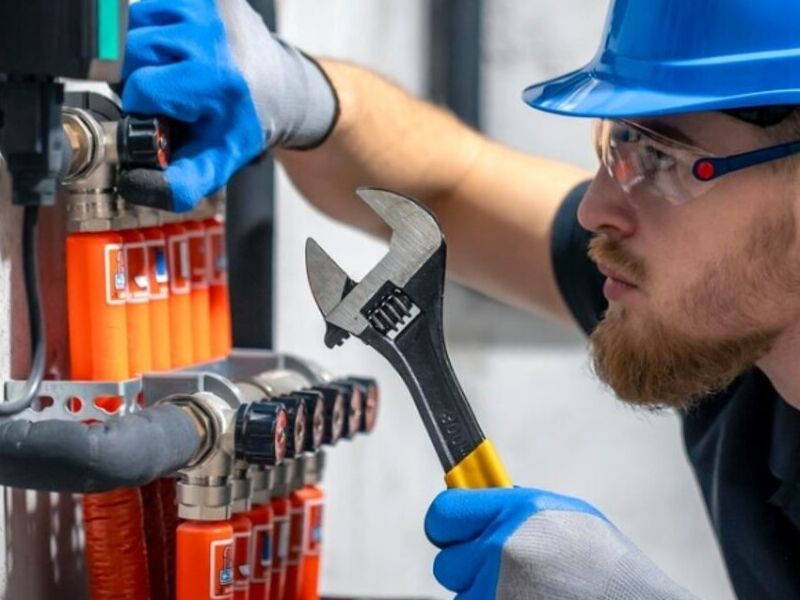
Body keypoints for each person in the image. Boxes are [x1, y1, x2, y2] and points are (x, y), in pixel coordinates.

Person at [122, 0, 800, 597]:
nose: (596, 208)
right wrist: (303, 95)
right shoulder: (726, 316)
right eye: (617, 142)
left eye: (661, 159)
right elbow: (452, 183)